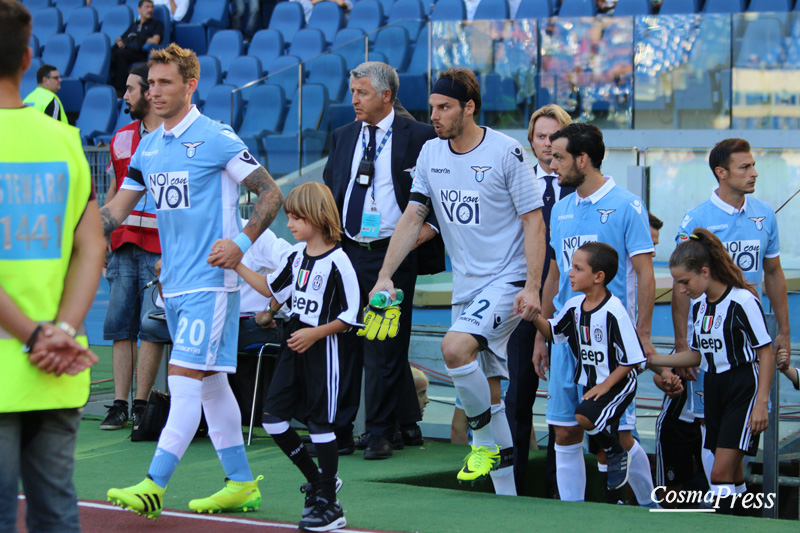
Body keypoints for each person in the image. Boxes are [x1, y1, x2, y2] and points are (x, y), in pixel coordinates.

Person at [102, 43, 284, 519]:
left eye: (166, 83)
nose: (156, 92)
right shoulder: (150, 144)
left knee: (183, 384)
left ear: (190, 85)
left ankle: (154, 485)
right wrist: (74, 233)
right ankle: (242, 484)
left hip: (210, 285)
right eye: (152, 83)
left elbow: (270, 193)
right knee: (210, 388)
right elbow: (118, 209)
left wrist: (240, 244)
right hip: (175, 286)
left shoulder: (216, 137)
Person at [371, 67, 546, 495]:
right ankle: (508, 498)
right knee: (489, 389)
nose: (435, 114)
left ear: (469, 107)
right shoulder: (431, 154)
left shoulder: (507, 152)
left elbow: (534, 221)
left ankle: (481, 440)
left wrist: (533, 286)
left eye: (444, 107)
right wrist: (384, 275)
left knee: (454, 347)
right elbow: (413, 217)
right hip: (466, 285)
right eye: (432, 107)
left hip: (508, 278)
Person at [0, 2, 105, 531]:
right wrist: (61, 330)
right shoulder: (63, 139)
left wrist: (31, 335)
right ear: (26, 59)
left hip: (19, 357)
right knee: (57, 510)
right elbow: (93, 247)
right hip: (59, 366)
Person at [323, 61, 445, 460]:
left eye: (361, 93)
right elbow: (329, 196)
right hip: (347, 255)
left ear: (386, 96)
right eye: (353, 91)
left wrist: (417, 241)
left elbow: (439, 205)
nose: (353, 100)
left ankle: (379, 432)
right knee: (344, 345)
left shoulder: (422, 137)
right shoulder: (342, 137)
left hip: (393, 257)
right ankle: (339, 431)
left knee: (383, 345)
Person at [532, 123, 657, 505]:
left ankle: (654, 506)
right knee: (564, 432)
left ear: (583, 160)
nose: (552, 165)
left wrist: (644, 333)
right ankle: (572, 517)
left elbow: (646, 274)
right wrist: (542, 336)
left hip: (610, 347)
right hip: (568, 342)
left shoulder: (627, 205)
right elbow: (554, 273)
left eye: (559, 158)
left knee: (616, 437)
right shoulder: (561, 208)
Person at [230, 182, 360, 532]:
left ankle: (330, 507)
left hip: (322, 350)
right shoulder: (297, 257)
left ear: (317, 217)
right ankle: (319, 481)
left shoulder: (339, 261)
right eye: (289, 217)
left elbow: (351, 316)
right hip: (292, 346)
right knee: (272, 419)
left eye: (296, 218)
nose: (289, 225)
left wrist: (316, 332)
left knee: (320, 424)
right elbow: (272, 288)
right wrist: (237, 264)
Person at [673, 138, 790, 486]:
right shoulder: (696, 220)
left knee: (744, 431)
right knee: (713, 426)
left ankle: (729, 505)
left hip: (751, 342)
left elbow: (773, 273)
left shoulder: (764, 213)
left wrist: (783, 329)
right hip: (709, 343)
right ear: (721, 173)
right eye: (745, 167)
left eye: (754, 165)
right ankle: (726, 503)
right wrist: (682, 342)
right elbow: (682, 285)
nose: (754, 173)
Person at [650, 229, 774, 515]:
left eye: (684, 281)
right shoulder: (700, 305)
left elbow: (764, 352)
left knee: (718, 474)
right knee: (733, 475)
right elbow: (696, 354)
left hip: (743, 386)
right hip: (713, 387)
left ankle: (721, 521)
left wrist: (761, 402)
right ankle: (747, 520)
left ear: (705, 272)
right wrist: (650, 359)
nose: (681, 289)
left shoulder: (743, 301)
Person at [532, 242, 646, 492]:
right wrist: (533, 317)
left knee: (585, 416)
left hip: (618, 384)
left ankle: (617, 452)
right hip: (592, 384)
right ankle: (614, 491)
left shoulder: (614, 310)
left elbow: (633, 359)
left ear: (598, 277)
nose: (569, 273)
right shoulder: (573, 306)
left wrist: (606, 385)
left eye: (577, 268)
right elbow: (553, 331)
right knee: (597, 441)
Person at [504, 103, 573, 496]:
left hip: (567, 306)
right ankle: (511, 484)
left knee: (564, 402)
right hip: (522, 302)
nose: (546, 144)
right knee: (518, 396)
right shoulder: (518, 182)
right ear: (530, 142)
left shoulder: (580, 188)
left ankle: (557, 486)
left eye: (553, 136)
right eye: (540, 136)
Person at [100, 63, 166, 434]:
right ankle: (120, 404)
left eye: (130, 89)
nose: (124, 96)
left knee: (151, 328)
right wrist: (104, 238)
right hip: (123, 244)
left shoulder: (173, 137)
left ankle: (142, 405)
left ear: (149, 93)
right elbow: (113, 191)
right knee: (119, 327)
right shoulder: (122, 137)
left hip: (159, 248)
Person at [110, 0, 163, 97]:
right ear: (139, 9)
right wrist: (120, 42)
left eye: (152, 7)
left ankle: (121, 90)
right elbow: (119, 38)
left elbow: (155, 40)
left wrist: (140, 39)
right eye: (147, 7)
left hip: (143, 53)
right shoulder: (134, 25)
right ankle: (110, 86)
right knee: (113, 53)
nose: (150, 10)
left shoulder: (156, 24)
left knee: (120, 54)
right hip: (129, 51)